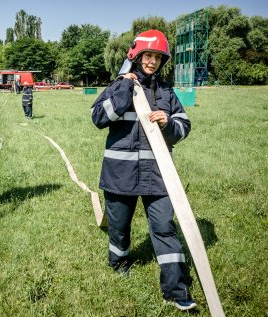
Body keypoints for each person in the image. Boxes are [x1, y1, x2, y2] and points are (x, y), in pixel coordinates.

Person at [91, 30, 195, 311]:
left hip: (158, 174)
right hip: (119, 174)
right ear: (136, 56)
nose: (152, 62)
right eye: (147, 56)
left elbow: (185, 125)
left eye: (158, 57)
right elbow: (98, 117)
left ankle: (176, 291)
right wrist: (125, 88)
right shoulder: (118, 85)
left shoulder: (166, 91)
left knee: (164, 228)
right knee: (120, 228)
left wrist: (168, 122)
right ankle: (119, 263)